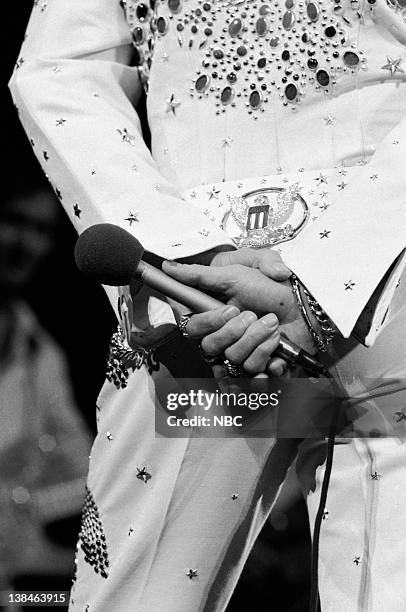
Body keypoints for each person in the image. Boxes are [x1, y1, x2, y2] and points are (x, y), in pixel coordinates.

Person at [9, 0, 406, 610]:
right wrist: (331, 279)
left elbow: (59, 69)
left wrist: (183, 254)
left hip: (199, 310)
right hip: (380, 288)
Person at [0, 187, 91, 595]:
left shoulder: (42, 353)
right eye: (14, 221)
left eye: (41, 230)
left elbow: (84, 469)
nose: (27, 245)